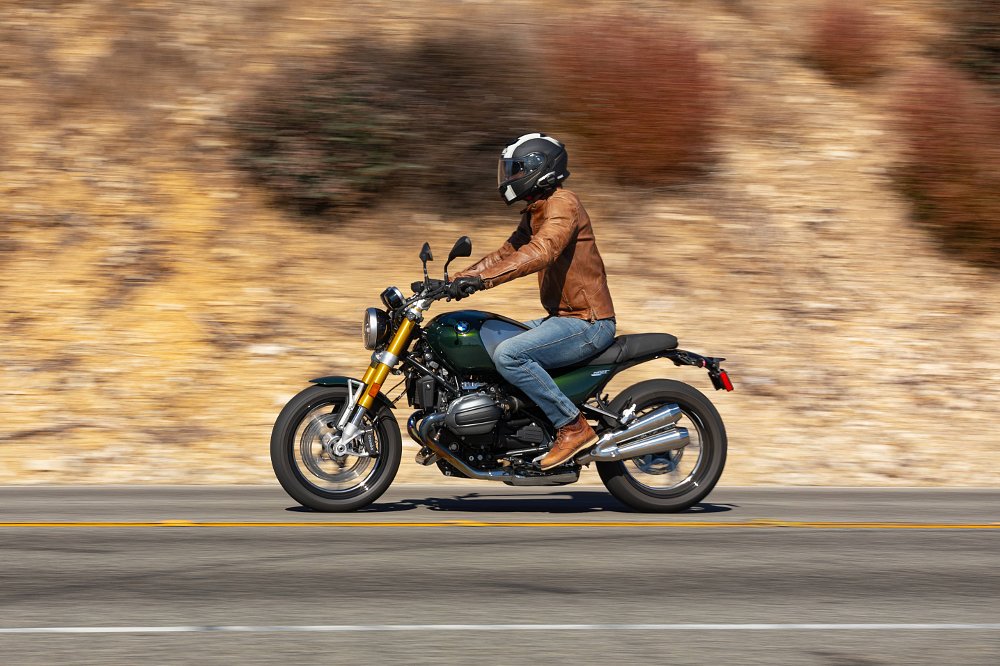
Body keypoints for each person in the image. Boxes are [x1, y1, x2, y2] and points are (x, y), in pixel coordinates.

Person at [448, 133, 616, 470]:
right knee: (494, 340)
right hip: (563, 318)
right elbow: (507, 252)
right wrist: (455, 279)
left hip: (587, 322)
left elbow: (542, 251)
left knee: (510, 354)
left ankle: (572, 427)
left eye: (515, 170)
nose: (508, 178)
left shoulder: (563, 204)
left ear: (540, 169)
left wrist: (482, 280)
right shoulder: (536, 211)